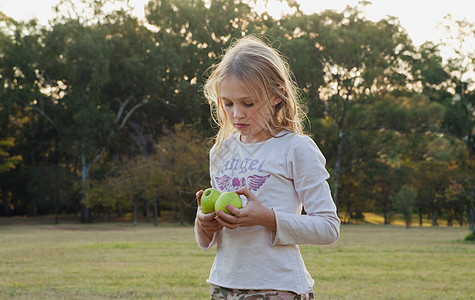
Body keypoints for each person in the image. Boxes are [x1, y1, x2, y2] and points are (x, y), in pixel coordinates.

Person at [194, 35, 340, 300]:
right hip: (222, 286)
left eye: (247, 103)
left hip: (277, 288)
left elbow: (329, 227)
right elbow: (208, 240)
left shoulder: (296, 148)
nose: (236, 114)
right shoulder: (220, 151)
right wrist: (205, 224)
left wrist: (266, 217)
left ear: (277, 95)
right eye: (227, 103)